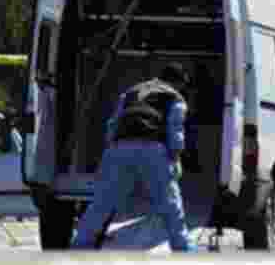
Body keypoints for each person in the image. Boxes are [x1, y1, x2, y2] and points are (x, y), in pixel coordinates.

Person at [71, 64, 196, 252]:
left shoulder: (132, 92)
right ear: (177, 82)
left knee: (101, 204)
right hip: (153, 149)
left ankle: (80, 246)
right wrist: (175, 160)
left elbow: (113, 125)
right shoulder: (174, 97)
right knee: (170, 205)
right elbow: (175, 132)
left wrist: (111, 153)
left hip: (119, 148)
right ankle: (182, 248)